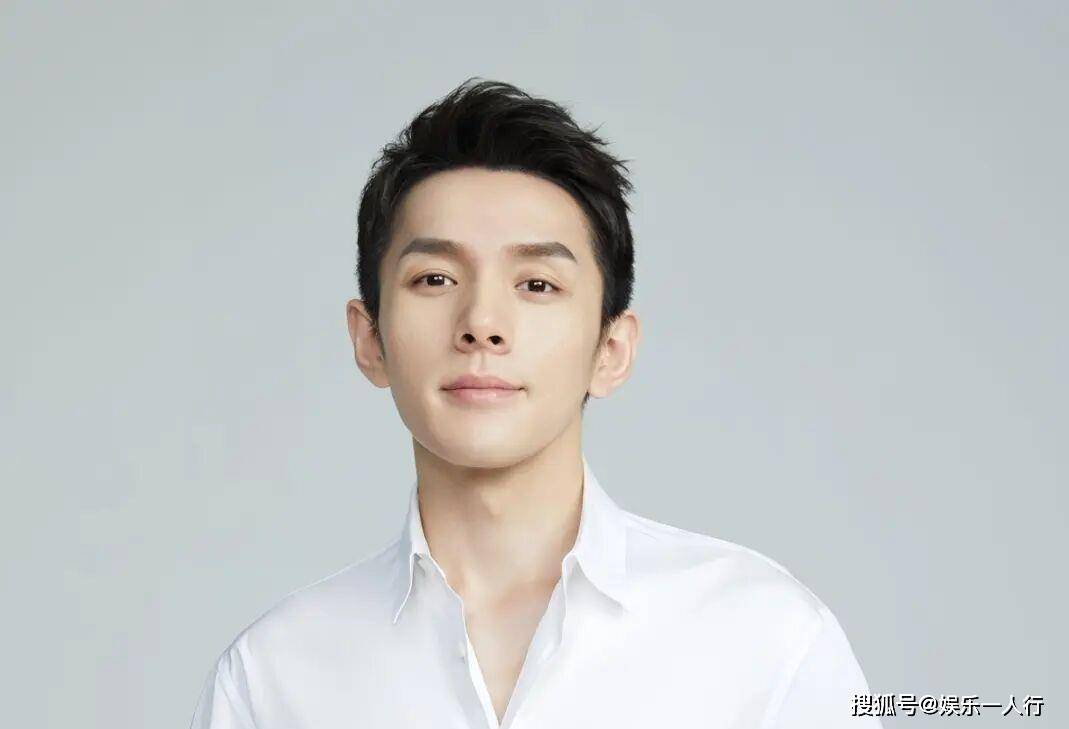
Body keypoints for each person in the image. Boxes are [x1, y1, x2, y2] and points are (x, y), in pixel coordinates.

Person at [189, 77, 881, 729]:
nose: (481, 323)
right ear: (370, 339)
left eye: (537, 284)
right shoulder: (273, 676)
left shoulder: (768, 640)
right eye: (435, 278)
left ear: (611, 349)